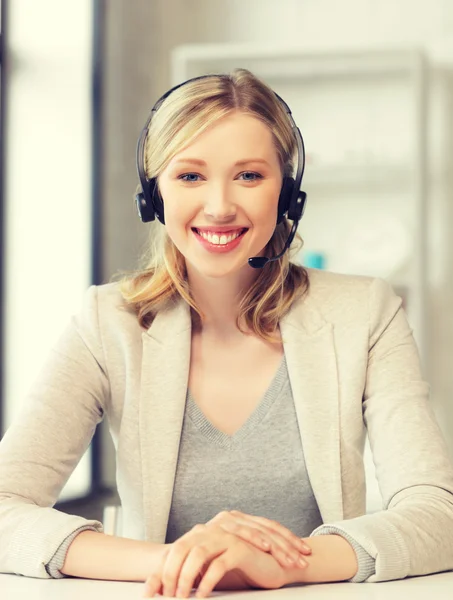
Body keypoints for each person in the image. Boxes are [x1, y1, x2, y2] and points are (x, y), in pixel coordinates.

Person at [1, 68, 453, 598]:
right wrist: (184, 559)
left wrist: (284, 566)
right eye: (190, 176)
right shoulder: (108, 322)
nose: (219, 206)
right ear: (153, 194)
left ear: (287, 193)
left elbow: (437, 513)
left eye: (249, 176)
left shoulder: (366, 311)